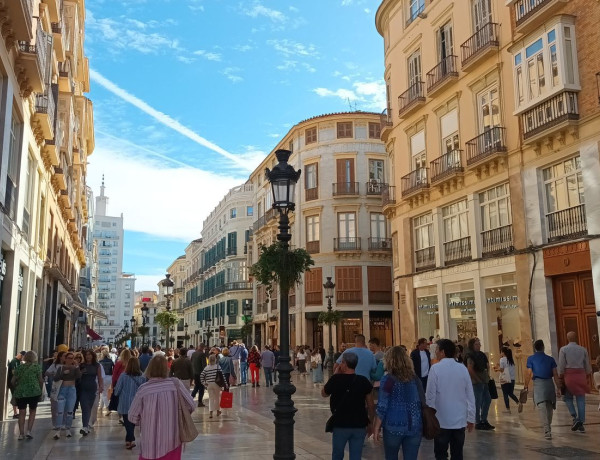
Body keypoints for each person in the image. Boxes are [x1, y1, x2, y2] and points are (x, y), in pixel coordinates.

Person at [129, 355, 195, 460]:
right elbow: (191, 405)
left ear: (149, 368)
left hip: (149, 443)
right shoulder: (175, 384)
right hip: (172, 439)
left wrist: (145, 420)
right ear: (166, 368)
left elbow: (132, 416)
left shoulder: (143, 389)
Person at [426, 339, 475, 460]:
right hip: (459, 419)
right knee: (457, 453)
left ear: (442, 352)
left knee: (441, 453)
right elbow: (470, 395)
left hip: (441, 419)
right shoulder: (462, 368)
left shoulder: (435, 369)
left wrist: (429, 416)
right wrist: (471, 417)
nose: (436, 352)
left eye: (437, 350)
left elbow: (430, 395)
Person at [322, 352, 374, 460]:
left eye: (341, 362)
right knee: (356, 456)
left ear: (344, 364)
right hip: (359, 424)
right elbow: (370, 405)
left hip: (340, 424)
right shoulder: (363, 381)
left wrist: (336, 373)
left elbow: (324, 393)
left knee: (337, 455)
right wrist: (370, 422)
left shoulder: (335, 379)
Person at [373, 346, 422, 460]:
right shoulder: (414, 379)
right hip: (414, 425)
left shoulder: (389, 380)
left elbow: (382, 406)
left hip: (393, 425)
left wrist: (376, 428)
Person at [524, 339, 561, 439]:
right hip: (549, 383)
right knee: (549, 407)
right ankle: (548, 427)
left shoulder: (531, 359)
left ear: (535, 348)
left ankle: (547, 430)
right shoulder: (551, 359)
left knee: (542, 407)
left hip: (539, 384)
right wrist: (559, 387)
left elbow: (528, 373)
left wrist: (526, 385)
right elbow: (555, 375)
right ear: (543, 347)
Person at [558, 331, 592, 433]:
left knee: (568, 398)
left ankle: (574, 417)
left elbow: (561, 365)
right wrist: (588, 375)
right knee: (581, 399)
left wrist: (560, 376)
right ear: (576, 337)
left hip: (569, 376)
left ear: (567, 338)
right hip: (581, 375)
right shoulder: (583, 349)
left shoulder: (563, 349)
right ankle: (581, 422)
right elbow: (587, 366)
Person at [114, 357, 147, 449]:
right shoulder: (143, 377)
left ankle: (130, 439)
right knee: (131, 422)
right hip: (137, 403)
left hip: (125, 402)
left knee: (127, 421)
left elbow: (117, 390)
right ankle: (129, 439)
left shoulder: (123, 376)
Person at [12, 351, 44, 440]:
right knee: (32, 412)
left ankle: (21, 434)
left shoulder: (19, 368)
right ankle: (29, 431)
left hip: (21, 392)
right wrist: (40, 390)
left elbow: (12, 381)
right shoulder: (37, 367)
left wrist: (18, 387)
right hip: (34, 392)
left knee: (22, 412)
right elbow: (40, 380)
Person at [464, 337, 493, 430]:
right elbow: (470, 368)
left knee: (487, 399)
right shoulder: (470, 356)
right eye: (476, 344)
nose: (479, 346)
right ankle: (477, 421)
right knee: (478, 401)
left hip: (484, 381)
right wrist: (477, 379)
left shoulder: (481, 355)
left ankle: (484, 419)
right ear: (472, 345)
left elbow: (487, 365)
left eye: (479, 344)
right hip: (477, 382)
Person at [79, 349, 103, 435]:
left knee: (90, 407)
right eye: (86, 355)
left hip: (92, 388)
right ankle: (85, 426)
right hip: (83, 388)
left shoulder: (97, 366)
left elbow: (100, 377)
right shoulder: (82, 365)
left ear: (93, 356)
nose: (88, 356)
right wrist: (81, 372)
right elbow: (78, 376)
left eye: (90, 354)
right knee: (84, 407)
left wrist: (101, 387)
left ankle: (87, 426)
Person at [200, 354, 224, 418]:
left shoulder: (206, 367)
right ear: (215, 360)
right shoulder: (218, 367)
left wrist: (204, 383)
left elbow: (202, 375)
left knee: (211, 398)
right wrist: (225, 384)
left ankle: (211, 413)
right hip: (216, 384)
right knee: (217, 398)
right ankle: (218, 411)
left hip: (209, 384)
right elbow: (222, 376)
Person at [496, 347, 519, 413]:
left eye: (501, 352)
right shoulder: (511, 360)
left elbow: (502, 369)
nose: (500, 353)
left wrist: (496, 369)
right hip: (512, 379)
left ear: (503, 352)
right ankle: (518, 402)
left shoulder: (502, 359)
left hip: (505, 379)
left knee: (505, 394)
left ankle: (508, 409)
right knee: (511, 393)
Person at [7, 351, 24, 419]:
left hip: (17, 383)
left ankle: (17, 412)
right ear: (21, 355)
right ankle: (15, 413)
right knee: (15, 397)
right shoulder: (14, 361)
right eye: (23, 357)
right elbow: (13, 372)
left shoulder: (19, 362)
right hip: (13, 383)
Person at [99, 349, 114, 415]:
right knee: (104, 392)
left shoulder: (100, 361)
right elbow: (113, 368)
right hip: (109, 377)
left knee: (103, 393)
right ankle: (101, 407)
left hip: (103, 377)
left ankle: (108, 407)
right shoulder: (111, 361)